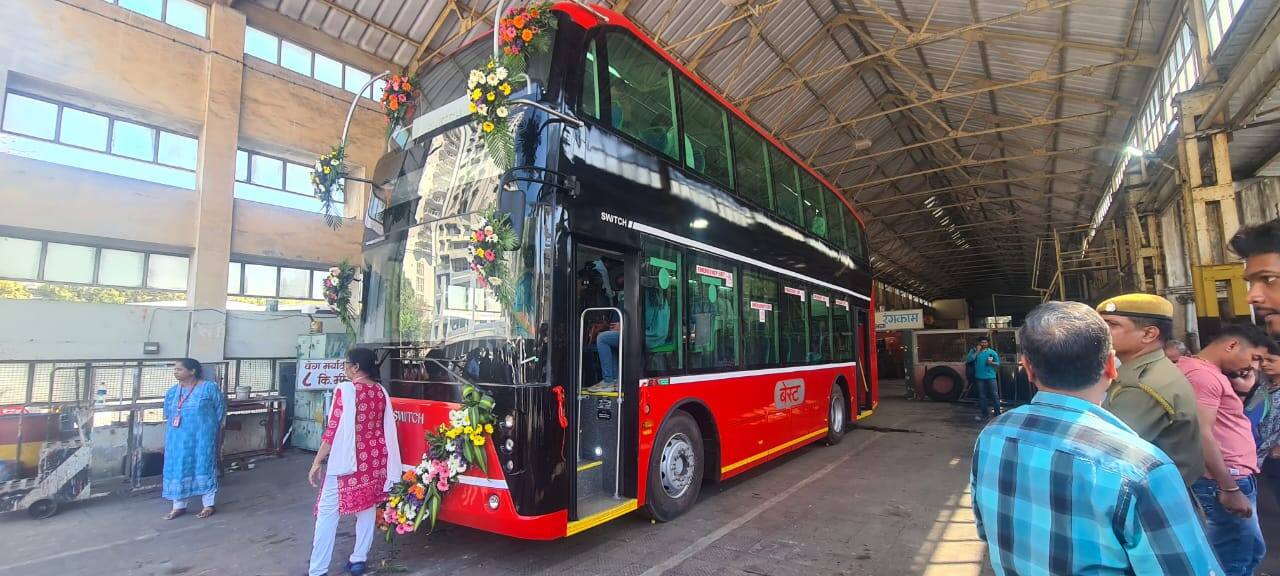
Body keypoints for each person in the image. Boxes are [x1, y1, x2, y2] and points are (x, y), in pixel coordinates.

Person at [970, 301, 1220, 575]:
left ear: (1027, 368)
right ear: (1112, 365)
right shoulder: (1143, 469)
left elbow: (986, 529)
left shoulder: (993, 436)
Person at [1178, 324, 1272, 576]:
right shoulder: (1202, 376)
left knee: (1249, 549)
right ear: (1231, 345)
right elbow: (1202, 433)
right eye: (1255, 358)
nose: (1255, 366)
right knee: (1234, 555)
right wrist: (1228, 487)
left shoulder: (1206, 372)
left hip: (1232, 474)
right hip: (1225, 477)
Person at [308, 348, 401, 576]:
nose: (345, 368)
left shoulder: (346, 390)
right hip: (375, 462)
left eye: (346, 364)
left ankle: (317, 570)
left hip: (347, 463)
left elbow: (332, 430)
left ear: (356, 367)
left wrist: (317, 461)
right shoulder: (380, 391)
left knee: (327, 513)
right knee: (367, 510)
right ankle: (358, 560)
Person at [1096, 294, 1204, 485]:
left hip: (1155, 496)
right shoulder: (1153, 369)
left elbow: (1105, 452)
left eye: (1111, 325)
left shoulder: (1140, 386)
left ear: (1148, 334)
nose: (1100, 332)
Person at [162, 358, 225, 520]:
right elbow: (168, 413)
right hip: (178, 439)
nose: (175, 372)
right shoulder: (172, 392)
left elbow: (220, 411)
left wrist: (212, 430)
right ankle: (179, 506)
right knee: (178, 468)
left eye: (179, 369)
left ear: (192, 371)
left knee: (203, 465)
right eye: (175, 369)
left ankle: (208, 504)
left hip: (202, 438)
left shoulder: (209, 389)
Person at [964, 336, 1000, 421]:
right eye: (982, 342)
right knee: (982, 396)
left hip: (991, 377)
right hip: (979, 377)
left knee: (995, 395)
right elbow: (969, 360)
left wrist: (992, 363)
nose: (984, 344)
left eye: (985, 342)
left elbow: (998, 364)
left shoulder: (992, 352)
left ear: (988, 343)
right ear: (979, 343)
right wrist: (977, 351)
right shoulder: (974, 351)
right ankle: (985, 415)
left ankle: (997, 414)